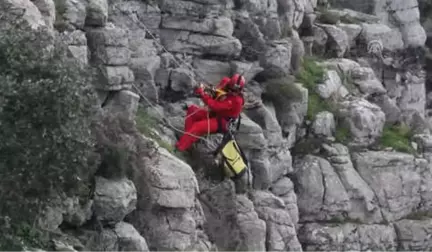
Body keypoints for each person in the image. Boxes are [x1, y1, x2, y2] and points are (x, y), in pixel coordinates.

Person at [175, 74, 246, 152]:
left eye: (236, 91)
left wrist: (202, 94)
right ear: (230, 85)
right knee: (192, 110)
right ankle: (187, 139)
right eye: (232, 90)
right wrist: (210, 90)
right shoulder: (225, 82)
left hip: (221, 121)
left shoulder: (237, 101)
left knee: (197, 126)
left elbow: (214, 106)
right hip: (215, 114)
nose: (233, 92)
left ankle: (179, 148)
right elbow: (217, 92)